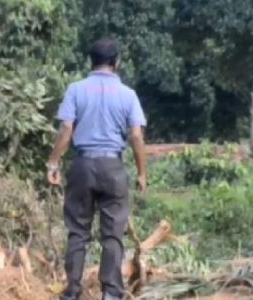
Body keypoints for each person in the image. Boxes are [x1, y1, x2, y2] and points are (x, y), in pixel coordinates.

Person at [46, 38, 147, 300]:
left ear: (90, 61)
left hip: (83, 165)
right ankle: (111, 293)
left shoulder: (76, 90)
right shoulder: (128, 95)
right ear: (117, 63)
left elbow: (67, 130)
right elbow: (136, 136)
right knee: (113, 234)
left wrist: (53, 162)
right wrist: (142, 173)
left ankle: (72, 292)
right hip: (114, 167)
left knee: (78, 231)